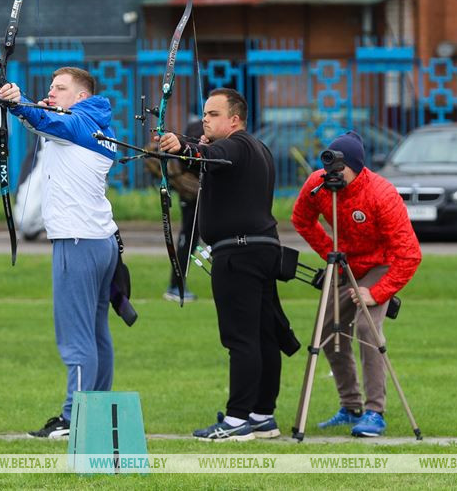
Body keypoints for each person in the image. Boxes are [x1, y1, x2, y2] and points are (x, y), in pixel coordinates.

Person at [158, 88, 289, 441]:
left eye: (213, 114)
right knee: (263, 335)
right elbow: (207, 158)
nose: (205, 119)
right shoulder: (256, 149)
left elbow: (212, 152)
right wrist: (186, 151)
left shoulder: (238, 145)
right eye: (204, 113)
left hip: (240, 255)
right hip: (261, 250)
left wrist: (185, 146)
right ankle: (263, 415)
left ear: (235, 119)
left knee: (241, 338)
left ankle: (236, 420)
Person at [0, 67, 119, 438]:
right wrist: (23, 105)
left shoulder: (78, 124)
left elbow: (50, 123)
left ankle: (75, 418)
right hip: (99, 242)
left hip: (78, 242)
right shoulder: (94, 123)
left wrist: (18, 105)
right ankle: (94, 411)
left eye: (60, 88)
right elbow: (47, 121)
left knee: (76, 336)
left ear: (80, 96)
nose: (52, 92)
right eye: (50, 86)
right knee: (96, 333)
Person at [291, 131, 421, 437]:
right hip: (344, 261)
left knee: (366, 328)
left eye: (340, 170)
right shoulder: (318, 185)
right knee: (327, 330)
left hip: (379, 264)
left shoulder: (381, 194)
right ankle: (351, 406)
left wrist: (376, 292)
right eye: (329, 169)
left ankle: (375, 411)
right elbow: (301, 219)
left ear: (357, 167)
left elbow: (409, 254)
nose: (332, 176)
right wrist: (330, 253)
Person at [146, 117, 203, 303]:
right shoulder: (197, 127)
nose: (209, 118)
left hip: (203, 192)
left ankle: (176, 285)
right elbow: (187, 159)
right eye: (208, 114)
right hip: (192, 193)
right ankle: (176, 286)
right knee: (188, 239)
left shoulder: (205, 127)